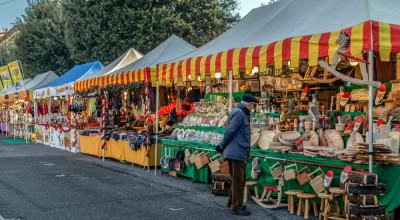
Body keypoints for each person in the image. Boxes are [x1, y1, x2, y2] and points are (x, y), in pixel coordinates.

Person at [216, 94, 259, 216]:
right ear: (248, 104)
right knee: (238, 180)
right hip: (237, 151)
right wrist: (221, 146)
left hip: (237, 151)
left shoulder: (240, 112)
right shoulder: (240, 113)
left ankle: (232, 202)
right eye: (253, 105)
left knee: (237, 179)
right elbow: (230, 131)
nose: (253, 108)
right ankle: (236, 206)